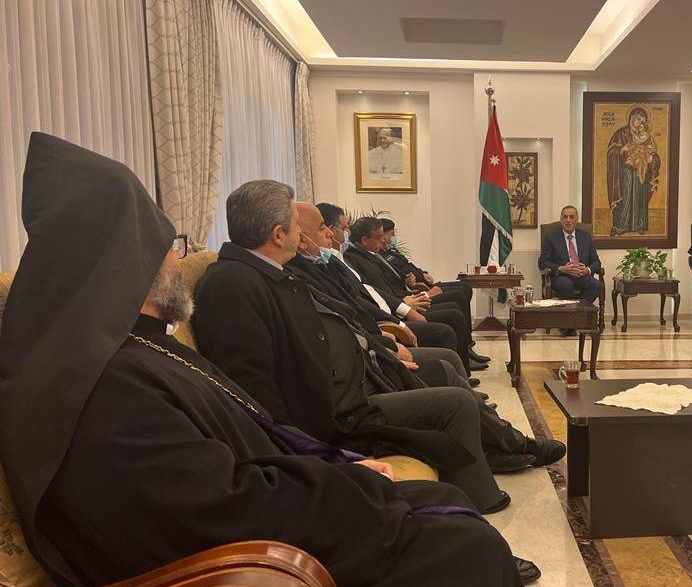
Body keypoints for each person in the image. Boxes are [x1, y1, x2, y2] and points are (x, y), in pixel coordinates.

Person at [0, 133, 544, 587]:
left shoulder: (130, 347)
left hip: (257, 548)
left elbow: (245, 432)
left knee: (450, 514)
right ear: (126, 261)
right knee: (468, 553)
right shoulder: (100, 388)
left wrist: (340, 467)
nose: (177, 260)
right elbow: (215, 511)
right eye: (167, 247)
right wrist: (353, 484)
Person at [192, 180, 507, 515]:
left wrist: (376, 353)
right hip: (334, 418)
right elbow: (256, 396)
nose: (303, 235)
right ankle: (477, 504)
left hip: (352, 390)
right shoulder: (230, 286)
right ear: (278, 235)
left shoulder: (264, 273)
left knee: (451, 392)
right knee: (455, 402)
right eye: (297, 225)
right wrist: (319, 451)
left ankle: (483, 477)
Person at [287, 202, 565, 473]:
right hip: (369, 363)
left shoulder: (328, 263)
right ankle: (508, 441)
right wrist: (389, 332)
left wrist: (410, 296)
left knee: (450, 357)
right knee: (446, 356)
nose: (334, 234)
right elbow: (349, 315)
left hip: (379, 341)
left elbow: (361, 300)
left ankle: (492, 434)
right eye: (325, 228)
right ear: (295, 239)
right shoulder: (305, 275)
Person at [345, 216, 481, 372]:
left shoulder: (371, 254)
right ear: (364, 240)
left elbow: (394, 280)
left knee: (456, 302)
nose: (383, 240)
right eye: (379, 237)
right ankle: (461, 369)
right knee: (452, 315)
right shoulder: (354, 258)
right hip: (394, 312)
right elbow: (372, 292)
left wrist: (412, 290)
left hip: (403, 301)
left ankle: (464, 358)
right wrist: (405, 303)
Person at [606, 107, 660, 235]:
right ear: (630, 119)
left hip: (641, 173)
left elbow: (654, 155)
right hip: (624, 173)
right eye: (637, 119)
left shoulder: (647, 137)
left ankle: (639, 225)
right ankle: (621, 226)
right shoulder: (621, 134)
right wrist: (621, 151)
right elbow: (611, 152)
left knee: (639, 197)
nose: (639, 123)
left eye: (642, 120)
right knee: (625, 197)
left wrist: (651, 159)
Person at [538, 205, 603, 304]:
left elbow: (596, 262)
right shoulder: (551, 237)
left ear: (576, 220)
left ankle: (581, 310)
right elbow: (542, 262)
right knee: (566, 285)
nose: (568, 220)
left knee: (596, 285)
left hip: (582, 276)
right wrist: (561, 268)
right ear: (561, 219)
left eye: (571, 217)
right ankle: (572, 312)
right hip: (561, 276)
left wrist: (587, 270)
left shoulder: (586, 237)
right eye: (565, 217)